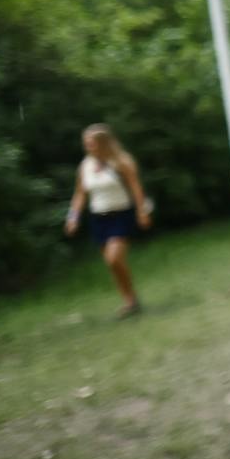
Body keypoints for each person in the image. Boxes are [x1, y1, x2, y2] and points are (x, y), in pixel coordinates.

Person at [63, 124, 154, 317]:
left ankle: (131, 301)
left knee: (114, 259)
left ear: (103, 143)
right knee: (113, 264)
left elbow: (135, 187)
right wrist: (73, 217)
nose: (87, 147)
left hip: (121, 216)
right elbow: (80, 194)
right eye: (86, 143)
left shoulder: (121, 161)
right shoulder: (85, 166)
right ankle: (131, 301)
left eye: (91, 143)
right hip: (98, 219)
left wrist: (142, 212)